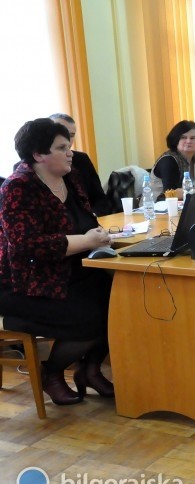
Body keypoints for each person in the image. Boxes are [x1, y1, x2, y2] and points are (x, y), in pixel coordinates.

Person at [0, 118, 114, 406]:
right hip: (26, 283)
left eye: (69, 146)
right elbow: (28, 247)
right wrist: (87, 241)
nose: (70, 153)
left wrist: (97, 234)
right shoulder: (18, 187)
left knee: (121, 302)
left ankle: (89, 371)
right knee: (91, 316)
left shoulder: (69, 178)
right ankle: (51, 373)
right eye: (62, 147)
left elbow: (85, 221)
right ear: (38, 154)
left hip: (72, 271)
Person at [49, 113, 112, 216]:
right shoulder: (30, 167)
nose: (68, 140)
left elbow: (100, 199)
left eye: (71, 135)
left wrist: (93, 215)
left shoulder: (81, 160)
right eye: (62, 133)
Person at [150, 120, 195, 200]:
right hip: (157, 208)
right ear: (176, 140)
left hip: (190, 206)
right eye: (183, 137)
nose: (188, 141)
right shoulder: (168, 160)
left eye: (193, 138)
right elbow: (171, 193)